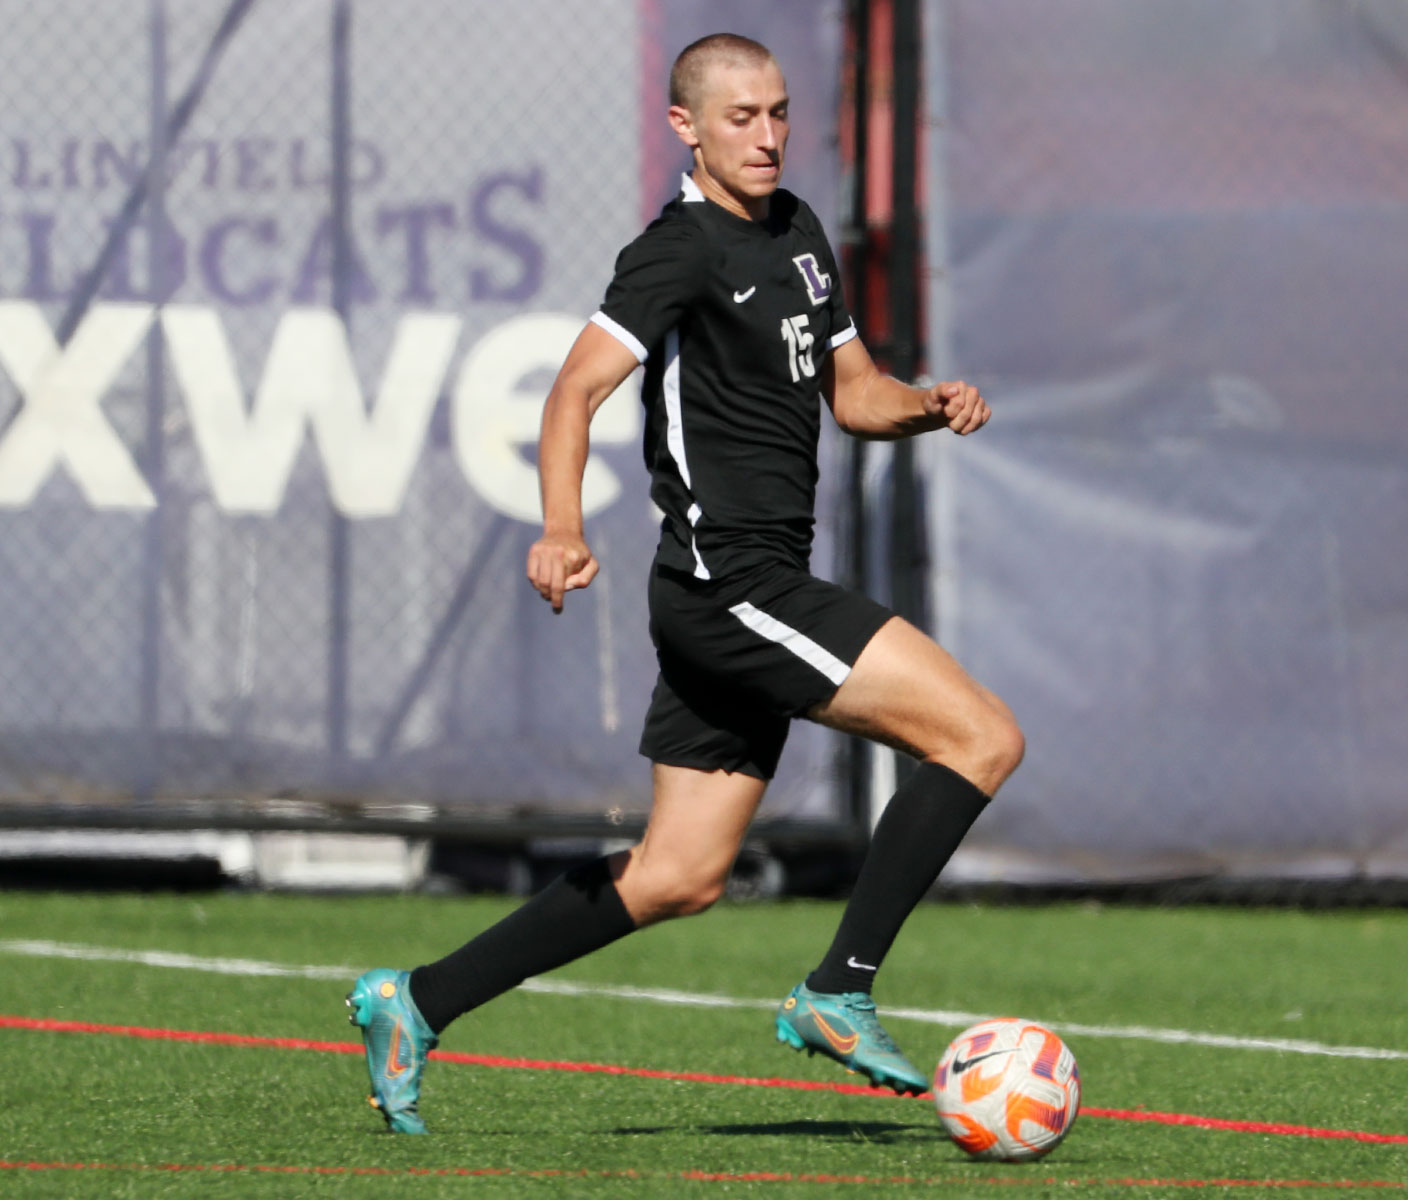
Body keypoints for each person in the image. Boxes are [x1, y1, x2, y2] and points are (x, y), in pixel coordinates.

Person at [343, 32, 1023, 1133]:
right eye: (741, 117)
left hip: (750, 583)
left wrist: (926, 402)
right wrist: (561, 527)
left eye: (779, 113)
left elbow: (854, 395)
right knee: (981, 737)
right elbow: (571, 396)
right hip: (728, 585)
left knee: (676, 876)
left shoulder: (801, 232)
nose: (766, 135)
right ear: (686, 128)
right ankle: (839, 988)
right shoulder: (676, 252)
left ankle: (416, 1000)